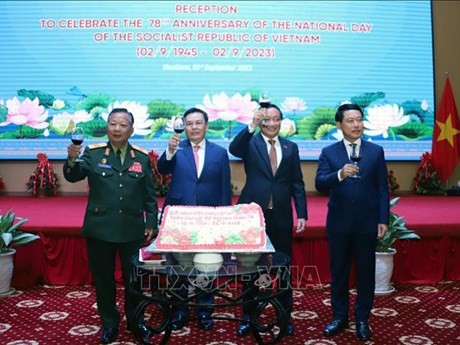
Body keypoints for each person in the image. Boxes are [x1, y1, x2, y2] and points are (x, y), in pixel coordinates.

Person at [63, 108, 158, 344]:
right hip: (100, 228)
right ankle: (109, 323)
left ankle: (136, 321)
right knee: (104, 280)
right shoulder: (93, 154)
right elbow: (73, 176)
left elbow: (149, 195)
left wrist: (151, 222)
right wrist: (72, 159)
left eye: (122, 125)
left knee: (133, 280)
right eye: (112, 124)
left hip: (132, 229)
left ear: (131, 130)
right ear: (107, 127)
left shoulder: (142, 158)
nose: (117, 129)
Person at [229, 103, 307, 337]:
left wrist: (301, 212)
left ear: (281, 121)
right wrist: (251, 124)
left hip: (281, 214)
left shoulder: (290, 147)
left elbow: (297, 183)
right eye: (266, 120)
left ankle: (284, 315)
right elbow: (234, 148)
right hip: (253, 215)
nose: (271, 124)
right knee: (250, 267)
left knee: (283, 268)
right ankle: (247, 316)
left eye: (276, 120)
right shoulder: (250, 143)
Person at [315, 103, 389, 342]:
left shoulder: (376, 151)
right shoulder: (329, 152)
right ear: (339, 125)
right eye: (350, 121)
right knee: (339, 272)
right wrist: (339, 174)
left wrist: (382, 219)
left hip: (367, 222)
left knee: (366, 272)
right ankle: (339, 317)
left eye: (359, 119)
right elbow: (319, 183)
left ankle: (362, 319)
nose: (356, 125)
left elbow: (382, 189)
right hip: (339, 222)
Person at [157, 107, 232, 331]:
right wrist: (169, 151)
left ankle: (204, 309)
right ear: (184, 127)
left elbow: (224, 188)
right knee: (179, 264)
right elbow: (162, 168)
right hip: (180, 215)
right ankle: (180, 310)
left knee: (206, 264)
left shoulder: (219, 152)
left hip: (208, 217)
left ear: (206, 126)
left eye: (198, 123)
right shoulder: (176, 149)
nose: (194, 127)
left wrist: (224, 216)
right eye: (189, 124)